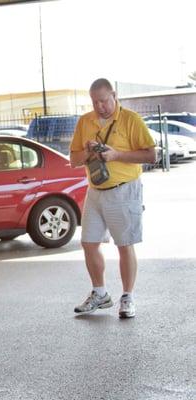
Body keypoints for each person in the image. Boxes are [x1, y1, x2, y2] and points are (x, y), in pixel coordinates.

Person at [69, 78, 156, 319]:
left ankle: (127, 297)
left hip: (124, 188)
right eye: (95, 102)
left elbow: (151, 155)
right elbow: (74, 160)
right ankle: (99, 293)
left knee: (124, 244)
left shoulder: (130, 120)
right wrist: (89, 151)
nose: (100, 106)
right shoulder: (85, 121)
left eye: (104, 101)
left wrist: (116, 154)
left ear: (114, 96)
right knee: (88, 242)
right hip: (95, 191)